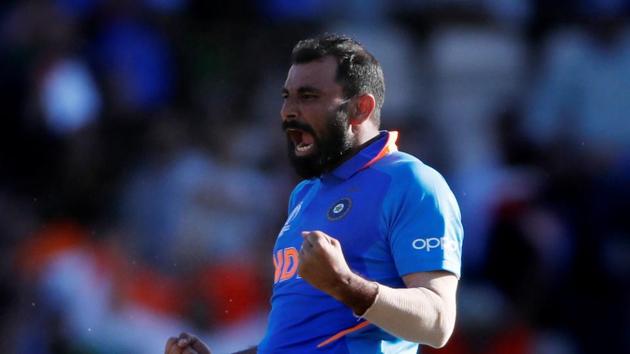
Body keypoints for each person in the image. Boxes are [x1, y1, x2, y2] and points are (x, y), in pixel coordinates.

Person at [165, 34, 463, 354]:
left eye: (307, 97)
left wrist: (345, 284)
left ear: (360, 109)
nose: (288, 112)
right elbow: (299, 341)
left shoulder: (412, 183)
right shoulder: (305, 194)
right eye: (286, 97)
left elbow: (438, 322)